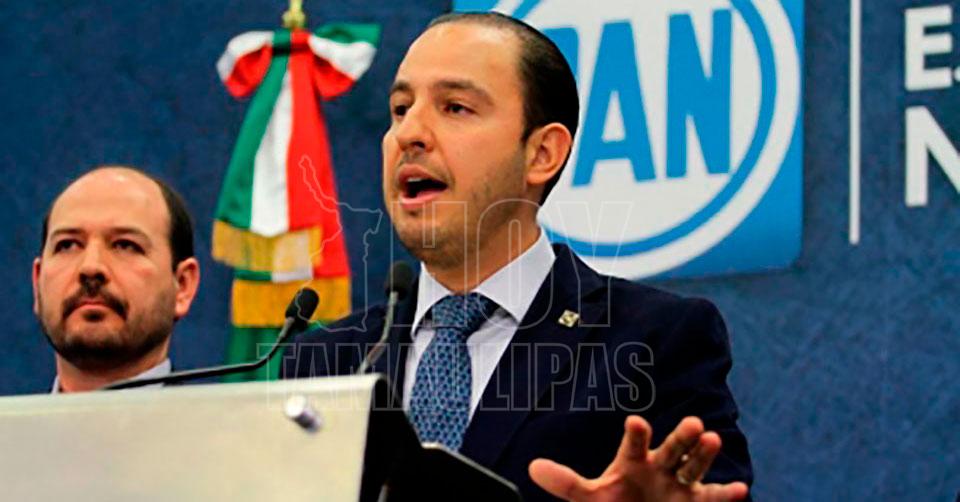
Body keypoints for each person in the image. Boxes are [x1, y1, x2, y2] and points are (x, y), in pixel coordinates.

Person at [284, 12, 752, 501]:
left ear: (542, 153)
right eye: (401, 109)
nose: (408, 133)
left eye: (455, 107)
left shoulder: (653, 340)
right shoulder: (325, 361)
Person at [33, 166, 200, 393]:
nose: (91, 267)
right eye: (68, 245)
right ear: (37, 283)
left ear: (182, 286)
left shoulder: (230, 418)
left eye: (125, 245)